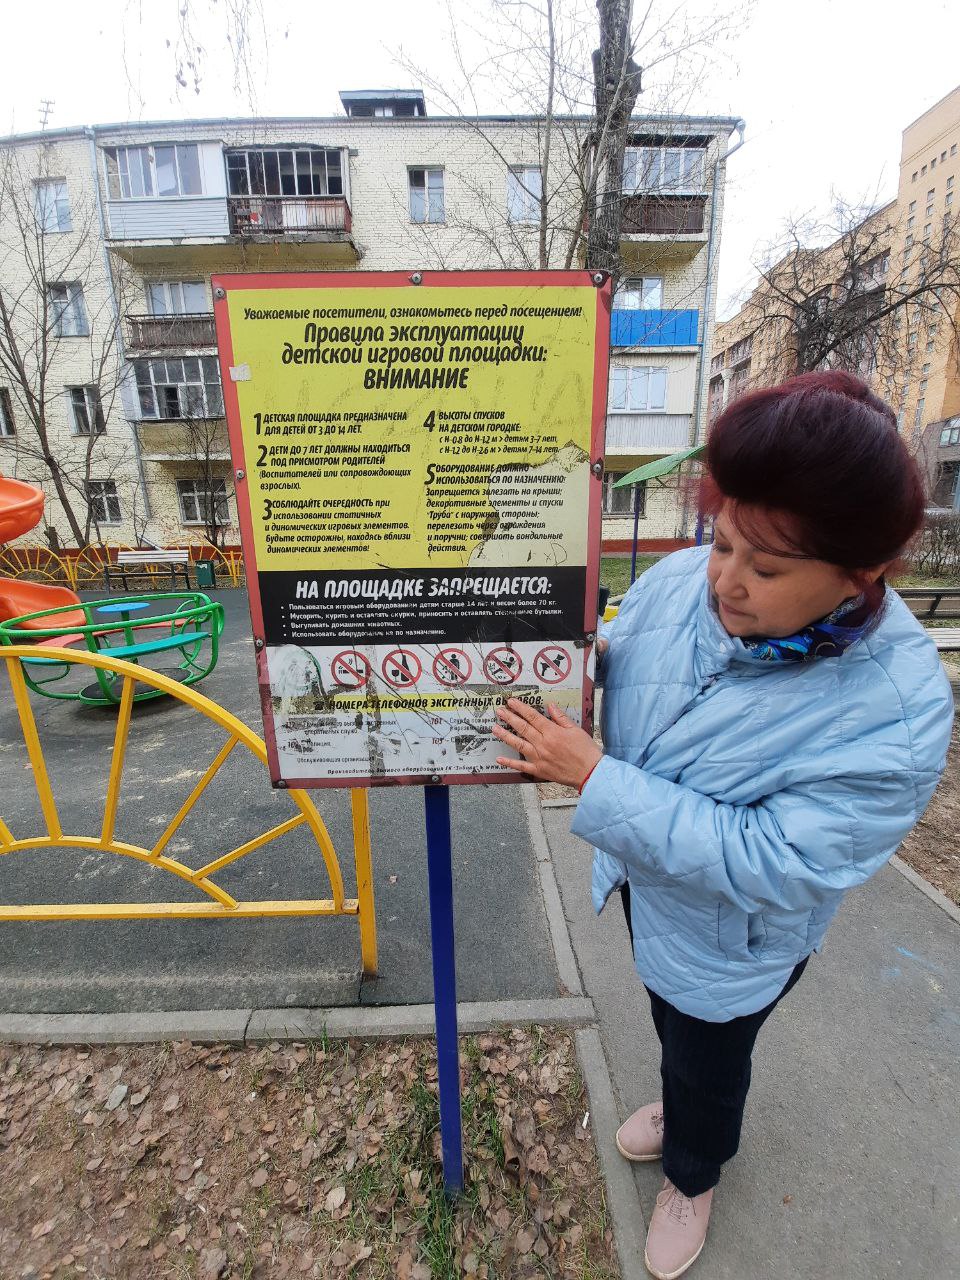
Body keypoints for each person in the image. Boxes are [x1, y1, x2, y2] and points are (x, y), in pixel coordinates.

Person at [492, 371, 954, 1280]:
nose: (724, 581)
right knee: (670, 1025)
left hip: (737, 938)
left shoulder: (894, 714)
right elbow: (635, 653)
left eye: (766, 569)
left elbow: (775, 861)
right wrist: (572, 661)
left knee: (709, 1055)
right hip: (652, 885)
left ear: (858, 575)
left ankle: (693, 1174)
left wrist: (596, 779)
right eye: (723, 541)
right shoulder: (685, 580)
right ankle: (679, 1107)